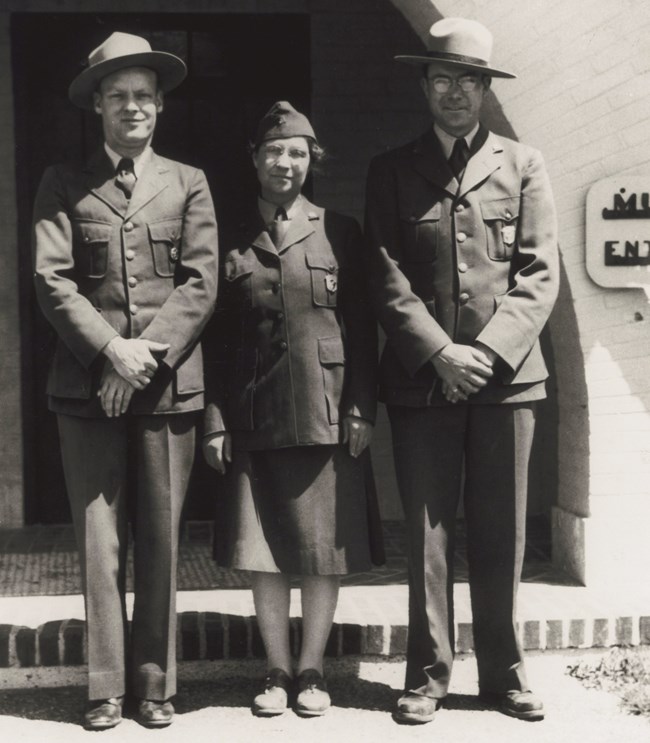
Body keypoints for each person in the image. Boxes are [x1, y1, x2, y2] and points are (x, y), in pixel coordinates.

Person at [364, 17, 559, 724]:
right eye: (443, 78)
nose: (456, 92)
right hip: (423, 380)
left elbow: (539, 274)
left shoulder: (524, 163)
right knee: (427, 532)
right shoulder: (391, 169)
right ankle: (425, 675)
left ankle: (505, 673)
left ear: (485, 87)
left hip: (509, 382)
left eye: (469, 80)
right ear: (424, 84)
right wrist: (440, 351)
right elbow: (384, 275)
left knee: (502, 531)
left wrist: (484, 354)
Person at [32, 32, 219, 730]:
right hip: (88, 390)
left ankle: (156, 684)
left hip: (167, 387)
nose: (132, 107)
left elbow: (201, 281)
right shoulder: (62, 181)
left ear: (161, 105)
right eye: (118, 97)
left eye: (143, 95)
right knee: (100, 541)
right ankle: (105, 686)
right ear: (98, 107)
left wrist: (143, 357)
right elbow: (52, 281)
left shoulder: (189, 181)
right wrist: (111, 350)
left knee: (163, 540)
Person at [203, 101, 381, 718]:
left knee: (321, 551)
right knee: (265, 551)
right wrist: (215, 420)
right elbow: (212, 340)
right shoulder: (223, 236)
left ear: (312, 163)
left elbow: (362, 327)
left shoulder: (342, 231)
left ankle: (312, 670)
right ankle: (276, 670)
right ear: (254, 158)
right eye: (275, 151)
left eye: (298, 153)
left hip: (327, 412)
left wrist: (361, 408)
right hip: (253, 414)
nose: (286, 162)